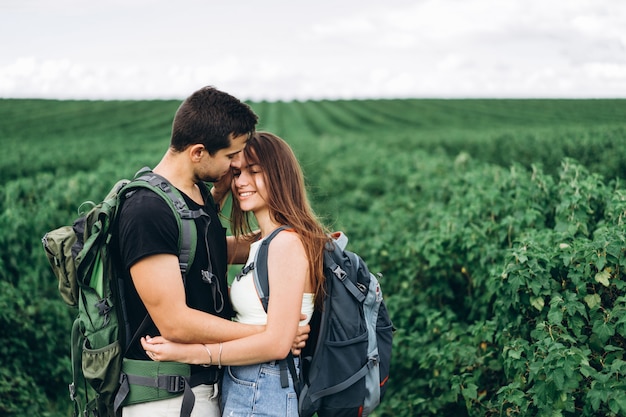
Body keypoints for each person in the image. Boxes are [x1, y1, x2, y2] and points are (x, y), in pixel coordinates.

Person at [116, 88, 306, 417]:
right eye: (232, 157)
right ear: (199, 152)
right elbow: (175, 323)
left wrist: (301, 236)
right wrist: (273, 335)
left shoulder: (197, 199)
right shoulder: (147, 210)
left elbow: (219, 252)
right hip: (165, 398)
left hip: (206, 388)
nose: (235, 168)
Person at [141, 131, 331, 416]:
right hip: (248, 384)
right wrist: (218, 191)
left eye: (254, 172)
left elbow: (277, 344)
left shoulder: (286, 245)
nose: (241, 182)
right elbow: (202, 242)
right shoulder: (263, 243)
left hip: (265, 387)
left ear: (280, 176)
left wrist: (191, 353)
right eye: (236, 172)